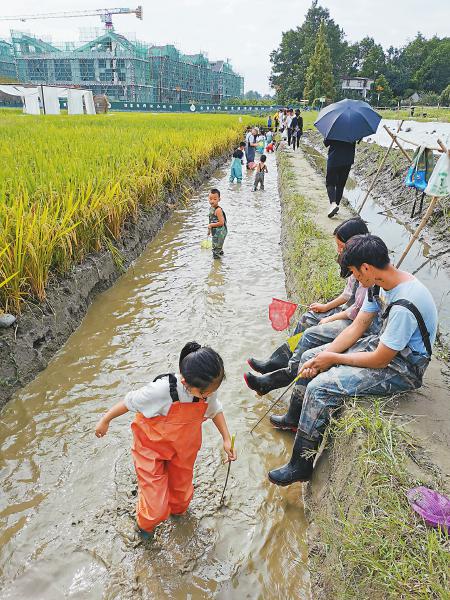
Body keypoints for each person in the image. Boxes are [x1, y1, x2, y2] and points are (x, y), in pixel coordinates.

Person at [267, 234, 437, 486]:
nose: (356, 279)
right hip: (383, 344)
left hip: (402, 366)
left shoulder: (405, 302)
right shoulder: (378, 284)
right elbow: (357, 326)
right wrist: (325, 355)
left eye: (355, 274)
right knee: (311, 357)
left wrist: (334, 358)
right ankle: (296, 419)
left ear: (366, 267)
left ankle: (301, 464)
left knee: (320, 388)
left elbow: (381, 360)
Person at [95, 342, 237, 536]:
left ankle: (179, 523)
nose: (209, 396)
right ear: (186, 383)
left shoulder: (207, 389)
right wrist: (105, 420)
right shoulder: (161, 390)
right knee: (155, 509)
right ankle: (144, 529)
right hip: (150, 448)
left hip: (183, 449)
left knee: (181, 501)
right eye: (205, 393)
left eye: (213, 391)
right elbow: (129, 402)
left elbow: (215, 410)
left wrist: (226, 439)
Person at [244, 218, 375, 396]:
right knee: (307, 319)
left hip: (357, 321)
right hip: (348, 313)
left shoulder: (366, 267)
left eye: (341, 246)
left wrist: (330, 317)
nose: (338, 250)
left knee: (311, 334)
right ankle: (280, 358)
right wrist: (325, 306)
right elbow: (347, 295)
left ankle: (282, 376)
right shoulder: (356, 262)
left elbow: (357, 311)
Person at [324, 137, 357, 218]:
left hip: (334, 158)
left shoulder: (334, 129)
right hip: (347, 160)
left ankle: (333, 204)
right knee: (340, 185)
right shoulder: (354, 130)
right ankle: (336, 205)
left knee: (330, 183)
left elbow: (326, 143)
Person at [208, 188, 227, 259]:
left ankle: (216, 267)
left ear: (219, 199)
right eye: (210, 199)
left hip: (220, 232)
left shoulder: (218, 210)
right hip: (215, 232)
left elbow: (221, 223)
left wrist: (211, 225)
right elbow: (211, 220)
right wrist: (209, 230)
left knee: (215, 250)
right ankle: (221, 256)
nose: (212, 201)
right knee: (217, 247)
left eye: (215, 199)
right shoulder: (211, 208)